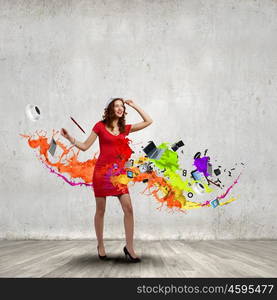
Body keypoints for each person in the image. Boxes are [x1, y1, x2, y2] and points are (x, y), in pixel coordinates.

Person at [61, 98, 153, 263]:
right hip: (102, 174)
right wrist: (69, 138)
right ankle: (100, 245)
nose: (120, 108)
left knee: (129, 209)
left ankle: (129, 247)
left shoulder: (125, 129)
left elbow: (148, 121)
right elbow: (84, 146)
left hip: (119, 176)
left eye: (122, 107)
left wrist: (134, 105)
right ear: (110, 109)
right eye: (116, 105)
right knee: (101, 211)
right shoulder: (100, 126)